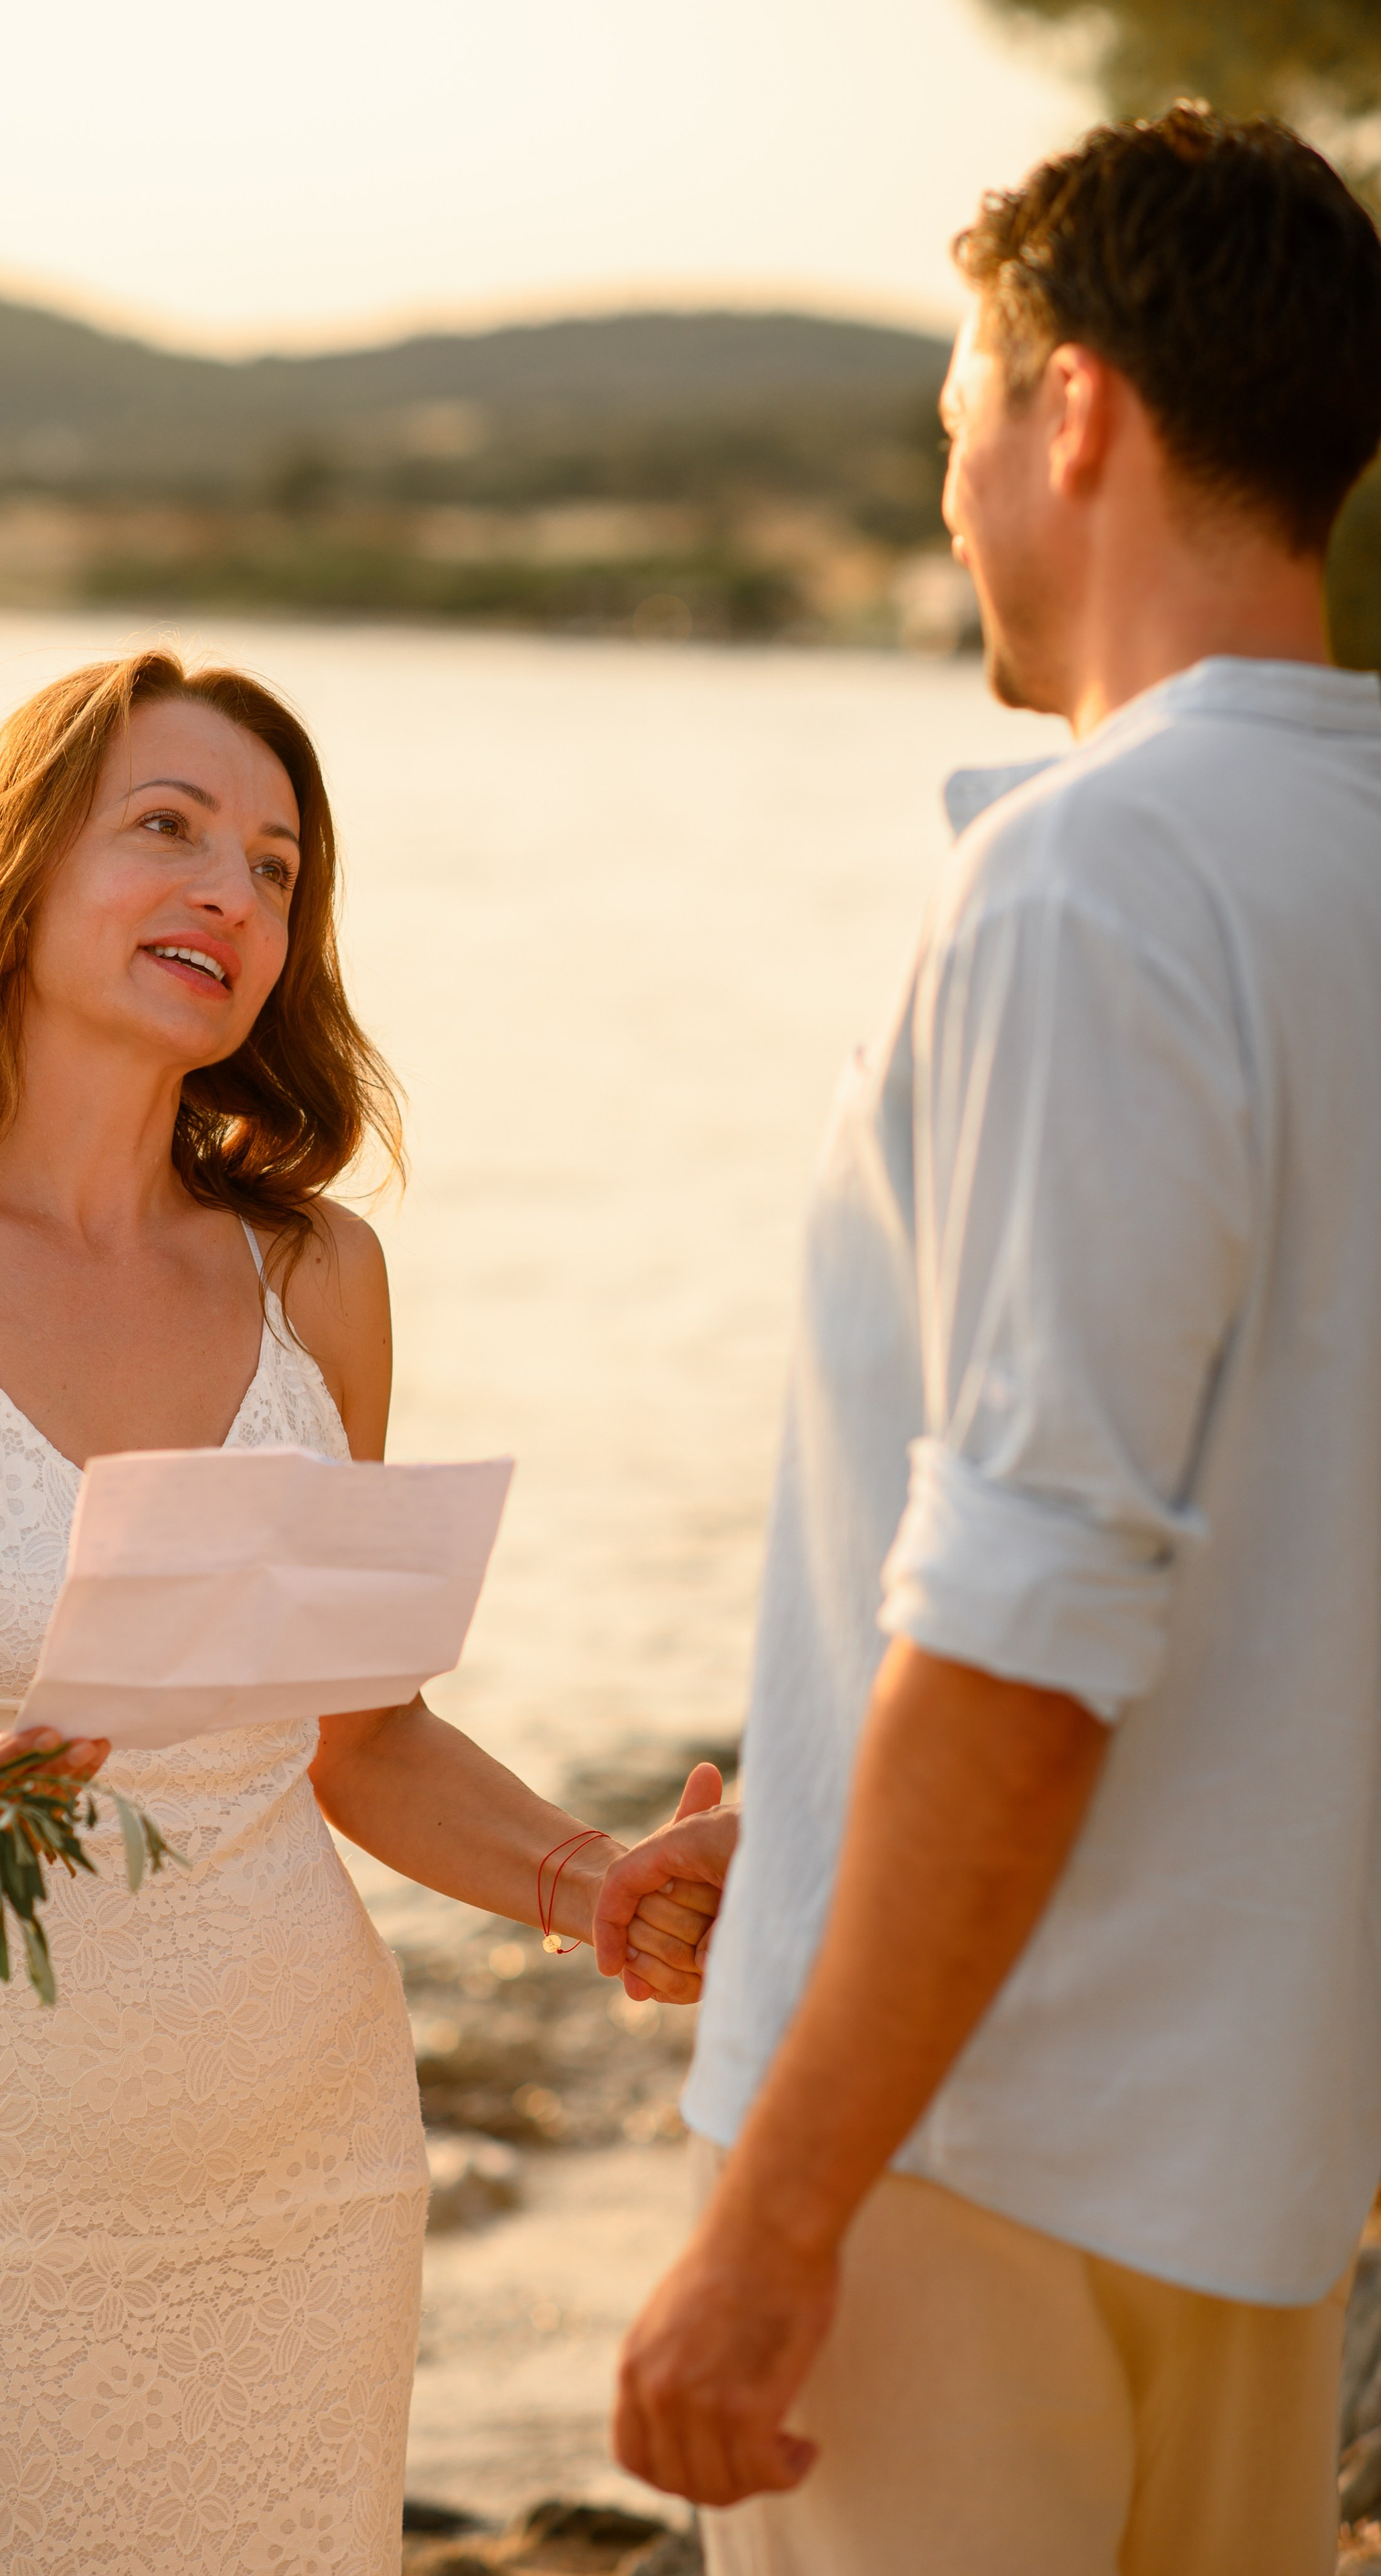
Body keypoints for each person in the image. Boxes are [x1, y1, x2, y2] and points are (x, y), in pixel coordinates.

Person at [0, 649, 718, 2576]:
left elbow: (364, 1735)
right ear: (20, 869)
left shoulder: (318, 1280)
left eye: (278, 865)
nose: (234, 893)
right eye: (168, 829)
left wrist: (592, 1881)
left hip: (295, 2175)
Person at [596, 105, 1381, 2575]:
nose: (949, 503)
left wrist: (771, 2225)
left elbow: (1035, 1619)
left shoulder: (1092, 876)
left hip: (970, 2170)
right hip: (1262, 2183)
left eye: (956, 425)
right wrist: (818, 1793)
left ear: (1076, 415)